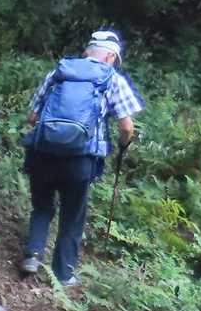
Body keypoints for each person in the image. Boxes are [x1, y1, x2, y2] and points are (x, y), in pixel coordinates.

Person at [19, 29, 144, 285]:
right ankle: (63, 275)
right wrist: (123, 146)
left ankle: (32, 255)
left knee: (42, 206)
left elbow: (32, 117)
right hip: (80, 159)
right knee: (72, 216)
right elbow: (126, 126)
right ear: (111, 57)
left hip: (42, 153)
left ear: (87, 51)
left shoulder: (58, 73)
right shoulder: (112, 79)